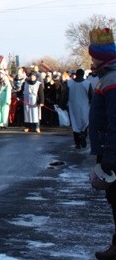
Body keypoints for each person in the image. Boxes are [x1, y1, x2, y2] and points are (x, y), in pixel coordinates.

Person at [88, 27, 116, 260]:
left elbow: (115, 122)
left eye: (93, 55)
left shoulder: (112, 80)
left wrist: (109, 156)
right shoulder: (107, 77)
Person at [62, 69, 92, 149]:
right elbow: (91, 96)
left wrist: (63, 105)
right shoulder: (87, 83)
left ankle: (77, 143)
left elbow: (65, 95)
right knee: (84, 123)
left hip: (73, 106)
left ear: (76, 74)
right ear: (83, 75)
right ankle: (83, 135)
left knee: (75, 124)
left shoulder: (69, 83)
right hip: (84, 106)